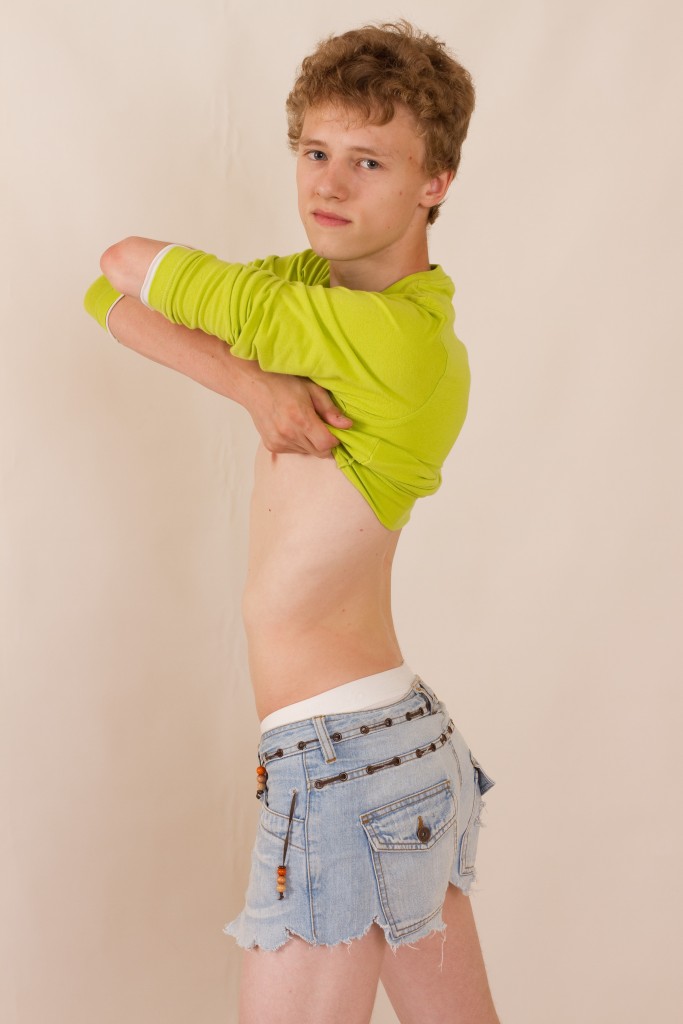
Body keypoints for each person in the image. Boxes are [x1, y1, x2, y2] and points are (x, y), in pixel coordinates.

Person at [84, 21, 499, 1024]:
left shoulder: (386, 337)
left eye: (368, 161)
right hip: (387, 741)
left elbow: (122, 260)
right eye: (314, 152)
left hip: (341, 755)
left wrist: (251, 368)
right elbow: (112, 302)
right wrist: (251, 385)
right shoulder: (320, 292)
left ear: (434, 183)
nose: (329, 184)